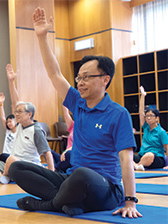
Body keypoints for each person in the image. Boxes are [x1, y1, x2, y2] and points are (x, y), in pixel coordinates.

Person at [9, 7, 142, 219]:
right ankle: (69, 204)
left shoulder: (119, 114)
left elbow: (126, 160)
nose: (80, 82)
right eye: (79, 78)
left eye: (87, 77)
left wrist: (130, 201)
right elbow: (54, 74)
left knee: (81, 175)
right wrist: (42, 37)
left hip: (106, 188)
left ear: (105, 79)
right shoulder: (78, 103)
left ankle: (48, 205)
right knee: (16, 168)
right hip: (71, 180)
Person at [0, 64, 55, 184]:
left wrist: (52, 174)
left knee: (12, 158)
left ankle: (1, 175)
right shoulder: (19, 126)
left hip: (28, 166)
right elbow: (15, 100)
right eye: (16, 112)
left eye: (20, 112)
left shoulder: (36, 130)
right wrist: (11, 81)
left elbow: (47, 152)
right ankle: (3, 177)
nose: (17, 114)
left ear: (29, 114)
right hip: (12, 163)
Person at [133, 86, 168, 171]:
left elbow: (167, 148)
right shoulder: (146, 127)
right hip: (142, 156)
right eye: (147, 116)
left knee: (149, 155)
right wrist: (143, 95)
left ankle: (136, 166)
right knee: (126, 153)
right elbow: (141, 112)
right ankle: (138, 166)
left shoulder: (161, 132)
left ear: (157, 118)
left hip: (156, 158)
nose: (148, 118)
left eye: (151, 116)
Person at [51, 106, 73, 172]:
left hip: (72, 156)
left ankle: (56, 170)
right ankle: (57, 169)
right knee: (49, 151)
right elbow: (66, 114)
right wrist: (65, 103)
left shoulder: (87, 130)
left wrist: (66, 151)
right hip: (64, 157)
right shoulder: (73, 126)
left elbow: (80, 145)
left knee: (69, 154)